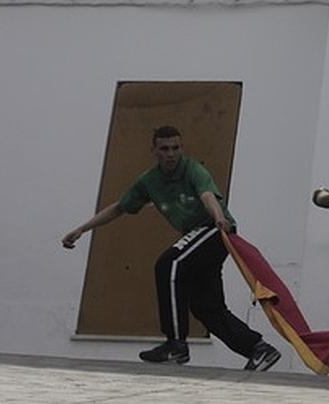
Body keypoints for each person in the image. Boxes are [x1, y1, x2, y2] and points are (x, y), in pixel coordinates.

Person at [61, 126, 280, 371]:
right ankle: (258, 349)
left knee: (170, 264)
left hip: (215, 231)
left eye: (176, 148)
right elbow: (119, 208)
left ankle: (175, 345)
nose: (171, 154)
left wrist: (219, 217)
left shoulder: (193, 169)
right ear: (154, 150)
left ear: (181, 148)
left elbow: (207, 195)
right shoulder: (149, 181)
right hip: (196, 242)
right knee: (206, 308)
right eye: (164, 149)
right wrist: (82, 229)